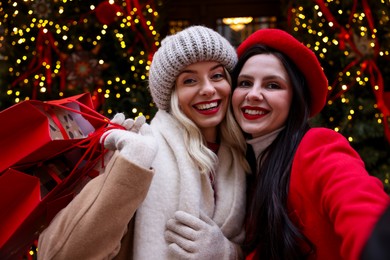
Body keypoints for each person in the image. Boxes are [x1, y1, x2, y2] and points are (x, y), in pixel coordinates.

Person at [38, 25, 249, 259]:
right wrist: (130, 165)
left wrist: (227, 252)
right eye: (190, 80)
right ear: (172, 94)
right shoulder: (142, 149)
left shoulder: (244, 155)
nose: (208, 89)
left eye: (217, 75)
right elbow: (57, 254)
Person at [230, 28, 390, 260]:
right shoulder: (239, 163)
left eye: (272, 85)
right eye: (244, 83)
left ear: (295, 99)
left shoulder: (317, 147)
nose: (253, 94)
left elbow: (362, 209)